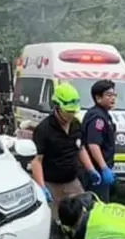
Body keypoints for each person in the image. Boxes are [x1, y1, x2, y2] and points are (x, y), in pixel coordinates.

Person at [31, 81, 101, 216]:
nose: (71, 114)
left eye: (73, 111)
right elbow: (37, 161)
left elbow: (80, 149)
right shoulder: (44, 129)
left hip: (72, 182)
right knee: (55, 221)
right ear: (56, 107)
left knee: (81, 216)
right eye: (68, 111)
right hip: (51, 184)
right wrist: (42, 187)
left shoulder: (76, 124)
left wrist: (91, 169)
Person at [81, 79, 119, 202]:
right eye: (109, 95)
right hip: (96, 171)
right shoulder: (97, 117)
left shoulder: (104, 114)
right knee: (98, 205)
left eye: (114, 95)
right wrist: (103, 168)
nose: (113, 98)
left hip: (101, 168)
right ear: (98, 98)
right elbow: (93, 144)